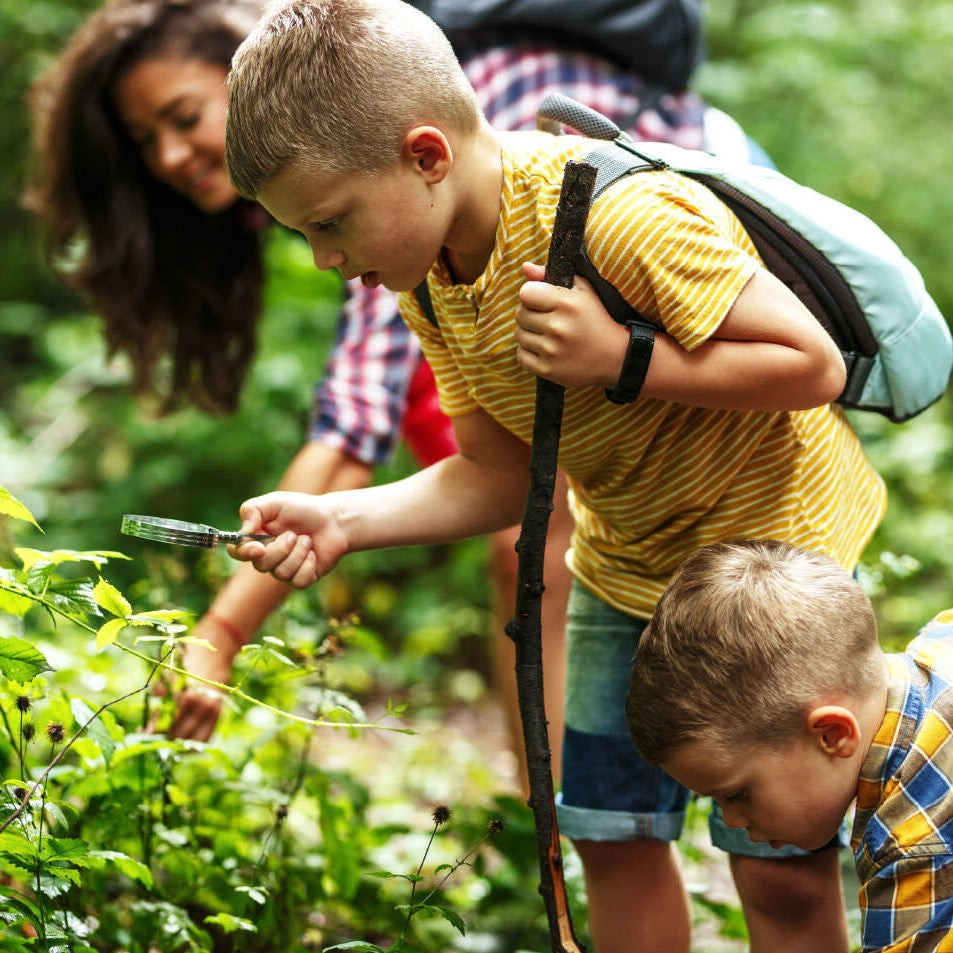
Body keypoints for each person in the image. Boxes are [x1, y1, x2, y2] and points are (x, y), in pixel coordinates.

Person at [220, 1, 888, 950]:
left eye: (330, 223)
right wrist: (339, 518)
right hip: (622, 571)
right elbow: (497, 476)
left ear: (425, 154)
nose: (328, 260)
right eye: (304, 235)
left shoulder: (619, 216)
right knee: (610, 839)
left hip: (769, 566)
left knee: (776, 865)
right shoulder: (434, 281)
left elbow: (810, 365)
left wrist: (621, 355)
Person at [25, 0, 724, 791]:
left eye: (182, 116)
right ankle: (565, 835)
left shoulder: (379, 143)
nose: (170, 156)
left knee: (538, 537)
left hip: (686, 261)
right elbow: (409, 437)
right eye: (147, 143)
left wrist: (219, 632)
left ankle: (567, 824)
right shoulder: (353, 201)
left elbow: (351, 427)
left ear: (245, 69)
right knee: (518, 517)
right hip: (561, 315)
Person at [627, 538, 953, 953]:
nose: (732, 820)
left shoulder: (913, 846)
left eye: (737, 795)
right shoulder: (942, 638)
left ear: (832, 734)